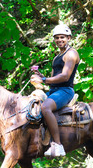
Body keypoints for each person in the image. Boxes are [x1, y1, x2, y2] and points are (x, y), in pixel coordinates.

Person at [30, 24, 80, 157]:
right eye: (57, 38)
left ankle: (58, 144)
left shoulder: (71, 54)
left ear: (69, 38)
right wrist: (40, 76)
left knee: (46, 107)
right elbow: (54, 77)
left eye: (62, 37)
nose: (59, 40)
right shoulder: (57, 56)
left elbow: (65, 76)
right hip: (55, 91)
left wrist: (44, 80)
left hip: (65, 91)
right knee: (32, 102)